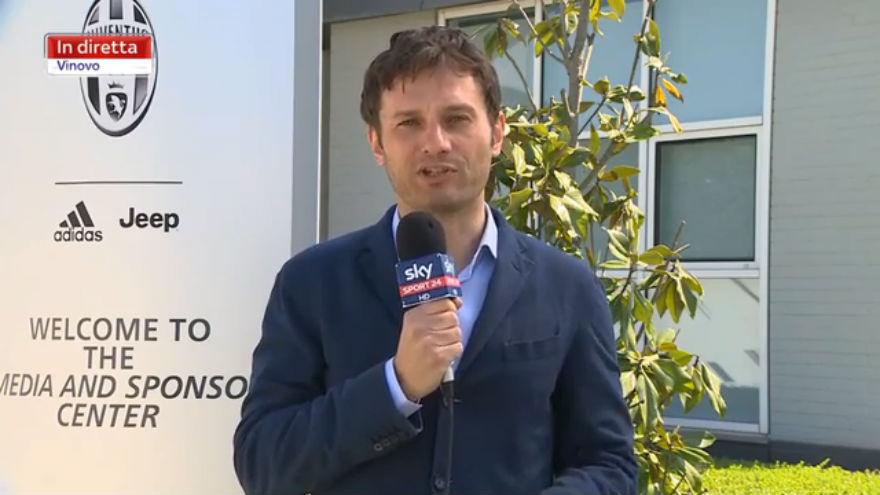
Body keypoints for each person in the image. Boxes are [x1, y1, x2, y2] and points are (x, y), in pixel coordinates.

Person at [233, 26, 636, 495]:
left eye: (457, 118)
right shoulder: (313, 283)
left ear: (497, 132)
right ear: (377, 143)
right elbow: (262, 462)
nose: (436, 142)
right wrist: (396, 384)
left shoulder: (567, 287)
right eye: (408, 123)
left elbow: (609, 466)